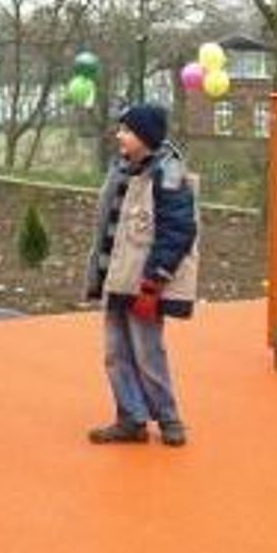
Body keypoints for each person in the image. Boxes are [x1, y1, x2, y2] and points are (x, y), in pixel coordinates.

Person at [85, 103, 198, 447]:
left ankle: (168, 417)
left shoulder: (169, 173)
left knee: (148, 352)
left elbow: (179, 229)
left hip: (145, 281)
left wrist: (155, 280)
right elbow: (109, 224)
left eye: (126, 130)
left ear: (145, 137)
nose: (119, 135)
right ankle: (130, 417)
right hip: (117, 276)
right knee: (115, 352)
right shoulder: (121, 169)